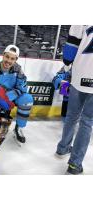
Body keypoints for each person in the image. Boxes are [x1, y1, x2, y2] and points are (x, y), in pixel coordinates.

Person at [56, 25, 93, 175]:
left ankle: (62, 148)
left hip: (78, 76)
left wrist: (67, 66)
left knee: (72, 116)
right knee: (87, 121)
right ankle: (74, 164)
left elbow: (69, 53)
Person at [0, 45, 33, 144]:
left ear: (16, 59)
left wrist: (9, 96)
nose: (9, 61)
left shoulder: (18, 69)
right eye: (7, 57)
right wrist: (2, 98)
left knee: (27, 99)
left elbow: (23, 86)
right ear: (3, 55)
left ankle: (18, 128)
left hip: (12, 95)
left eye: (12, 59)